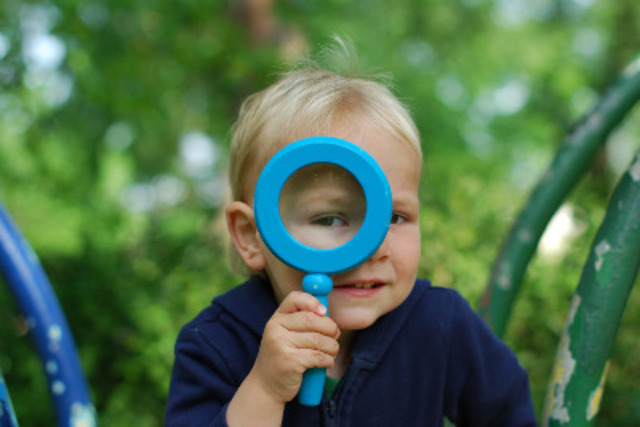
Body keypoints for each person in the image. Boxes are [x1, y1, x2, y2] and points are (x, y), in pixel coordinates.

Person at [165, 42, 537, 426]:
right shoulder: (214, 343)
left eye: (395, 217)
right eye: (330, 219)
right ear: (251, 235)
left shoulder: (440, 325)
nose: (374, 248)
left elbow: (511, 415)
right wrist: (264, 389)